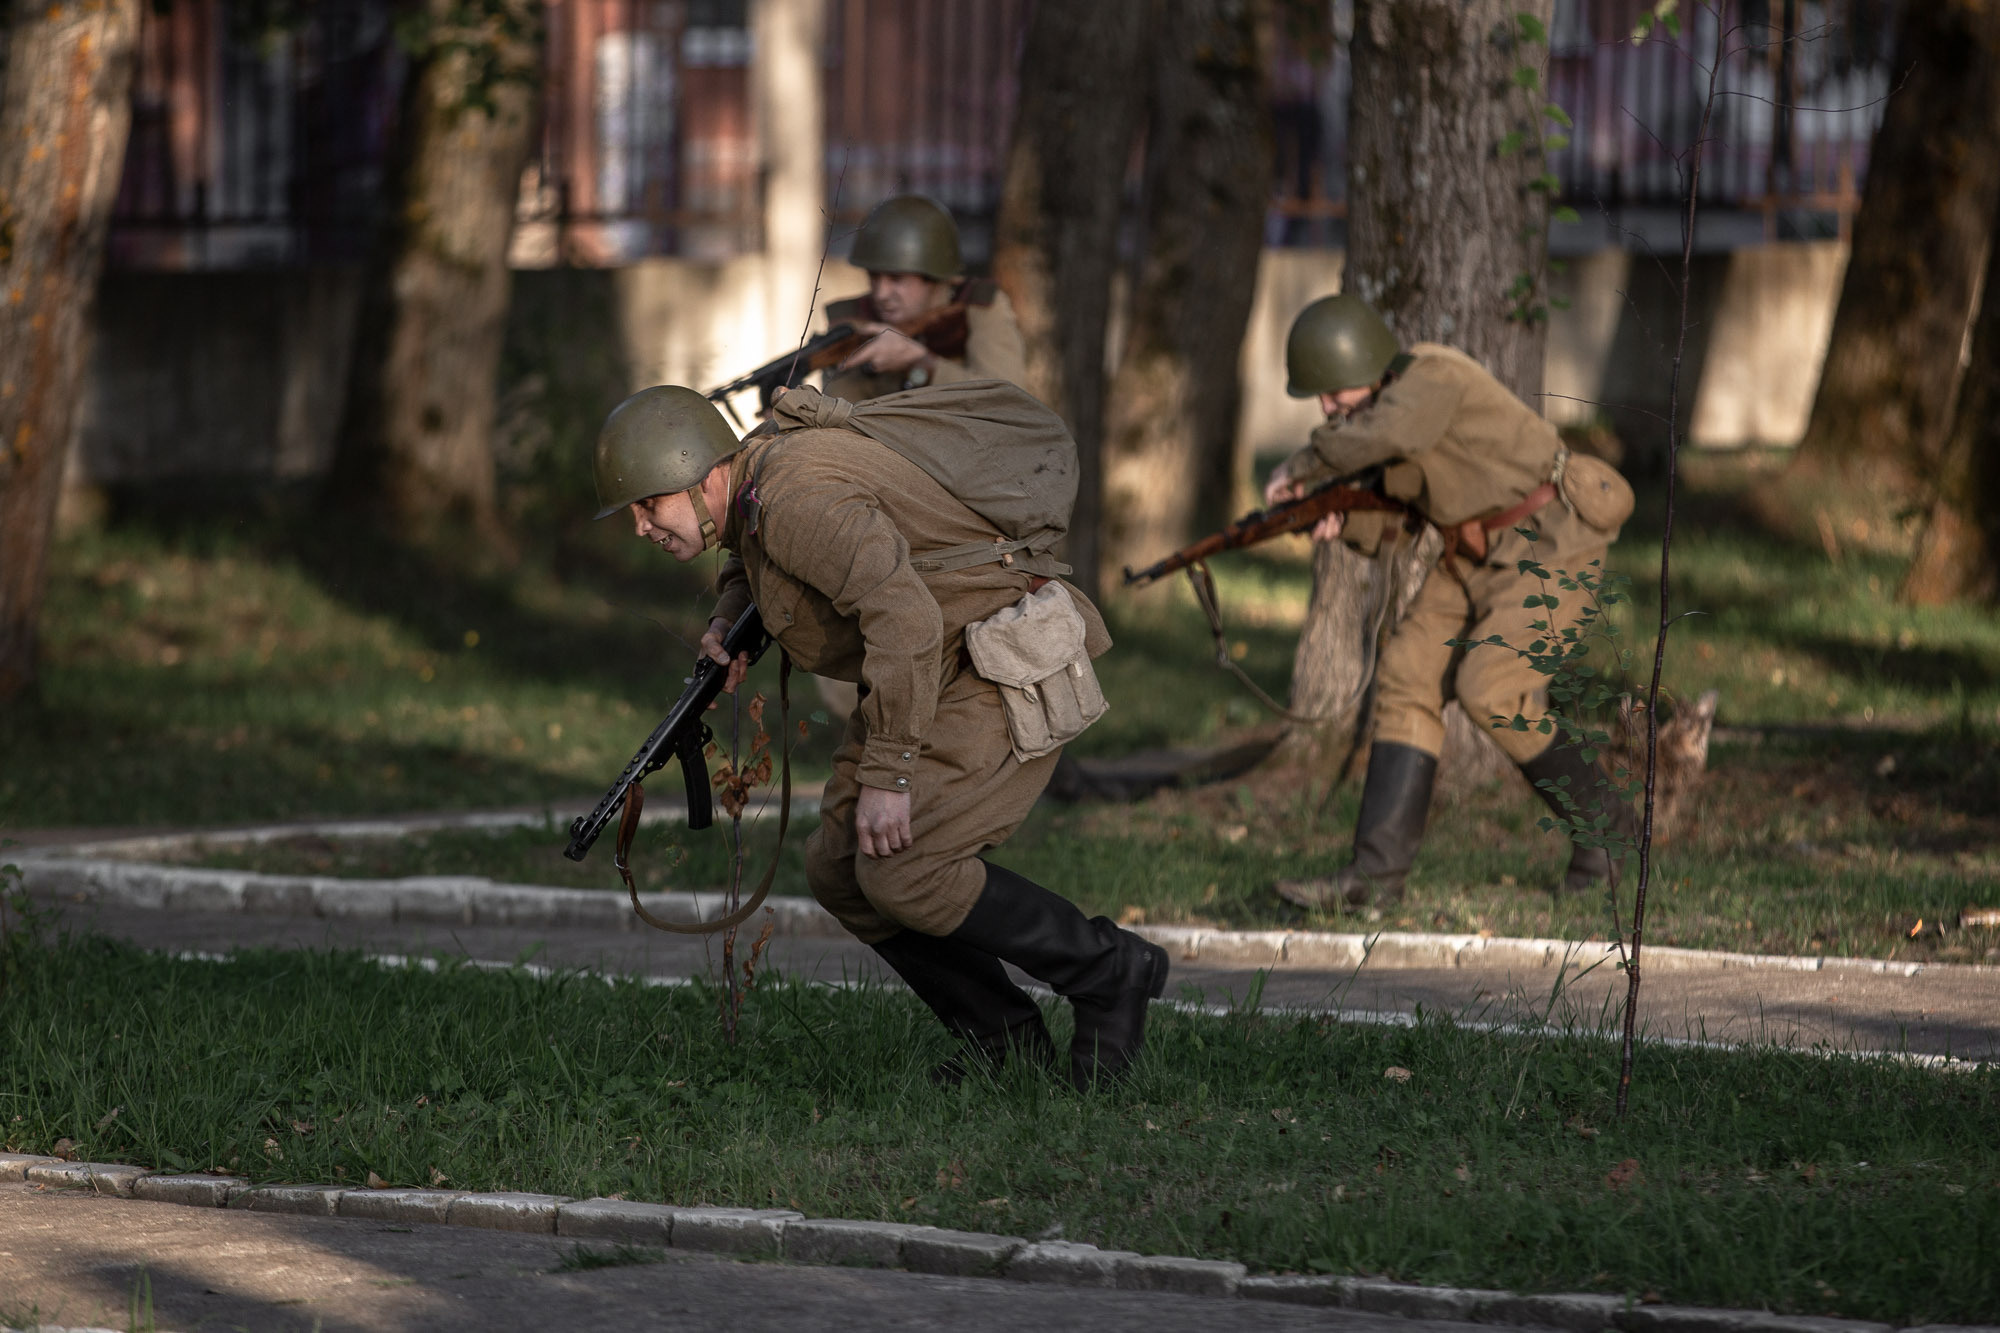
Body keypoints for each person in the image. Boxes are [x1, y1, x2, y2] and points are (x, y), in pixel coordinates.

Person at [590, 381, 1166, 1088]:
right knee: (842, 869)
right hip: (930, 664)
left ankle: (1109, 971)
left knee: (904, 866)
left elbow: (905, 618)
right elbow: (760, 556)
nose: (641, 526)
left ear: (701, 471)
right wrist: (731, 615)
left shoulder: (793, 496)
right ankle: (1004, 1039)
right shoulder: (758, 487)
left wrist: (890, 775)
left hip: (984, 659)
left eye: (649, 504)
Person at [1264, 294, 1637, 912]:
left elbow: (1379, 435)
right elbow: (1397, 523)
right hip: (1472, 555)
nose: (1328, 410)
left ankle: (1610, 833)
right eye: (1321, 401)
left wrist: (1304, 465)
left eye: (1333, 393)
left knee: (1490, 686)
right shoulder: (1383, 424)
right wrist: (1335, 520)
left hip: (1550, 542)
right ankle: (1373, 882)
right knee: (1407, 675)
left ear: (1369, 364)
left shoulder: (1431, 377)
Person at [821, 194, 1030, 403]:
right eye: (874, 277)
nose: (881, 294)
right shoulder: (854, 318)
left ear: (934, 278)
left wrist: (922, 363)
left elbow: (1009, 402)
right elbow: (840, 410)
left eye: (896, 279)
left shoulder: (978, 306)